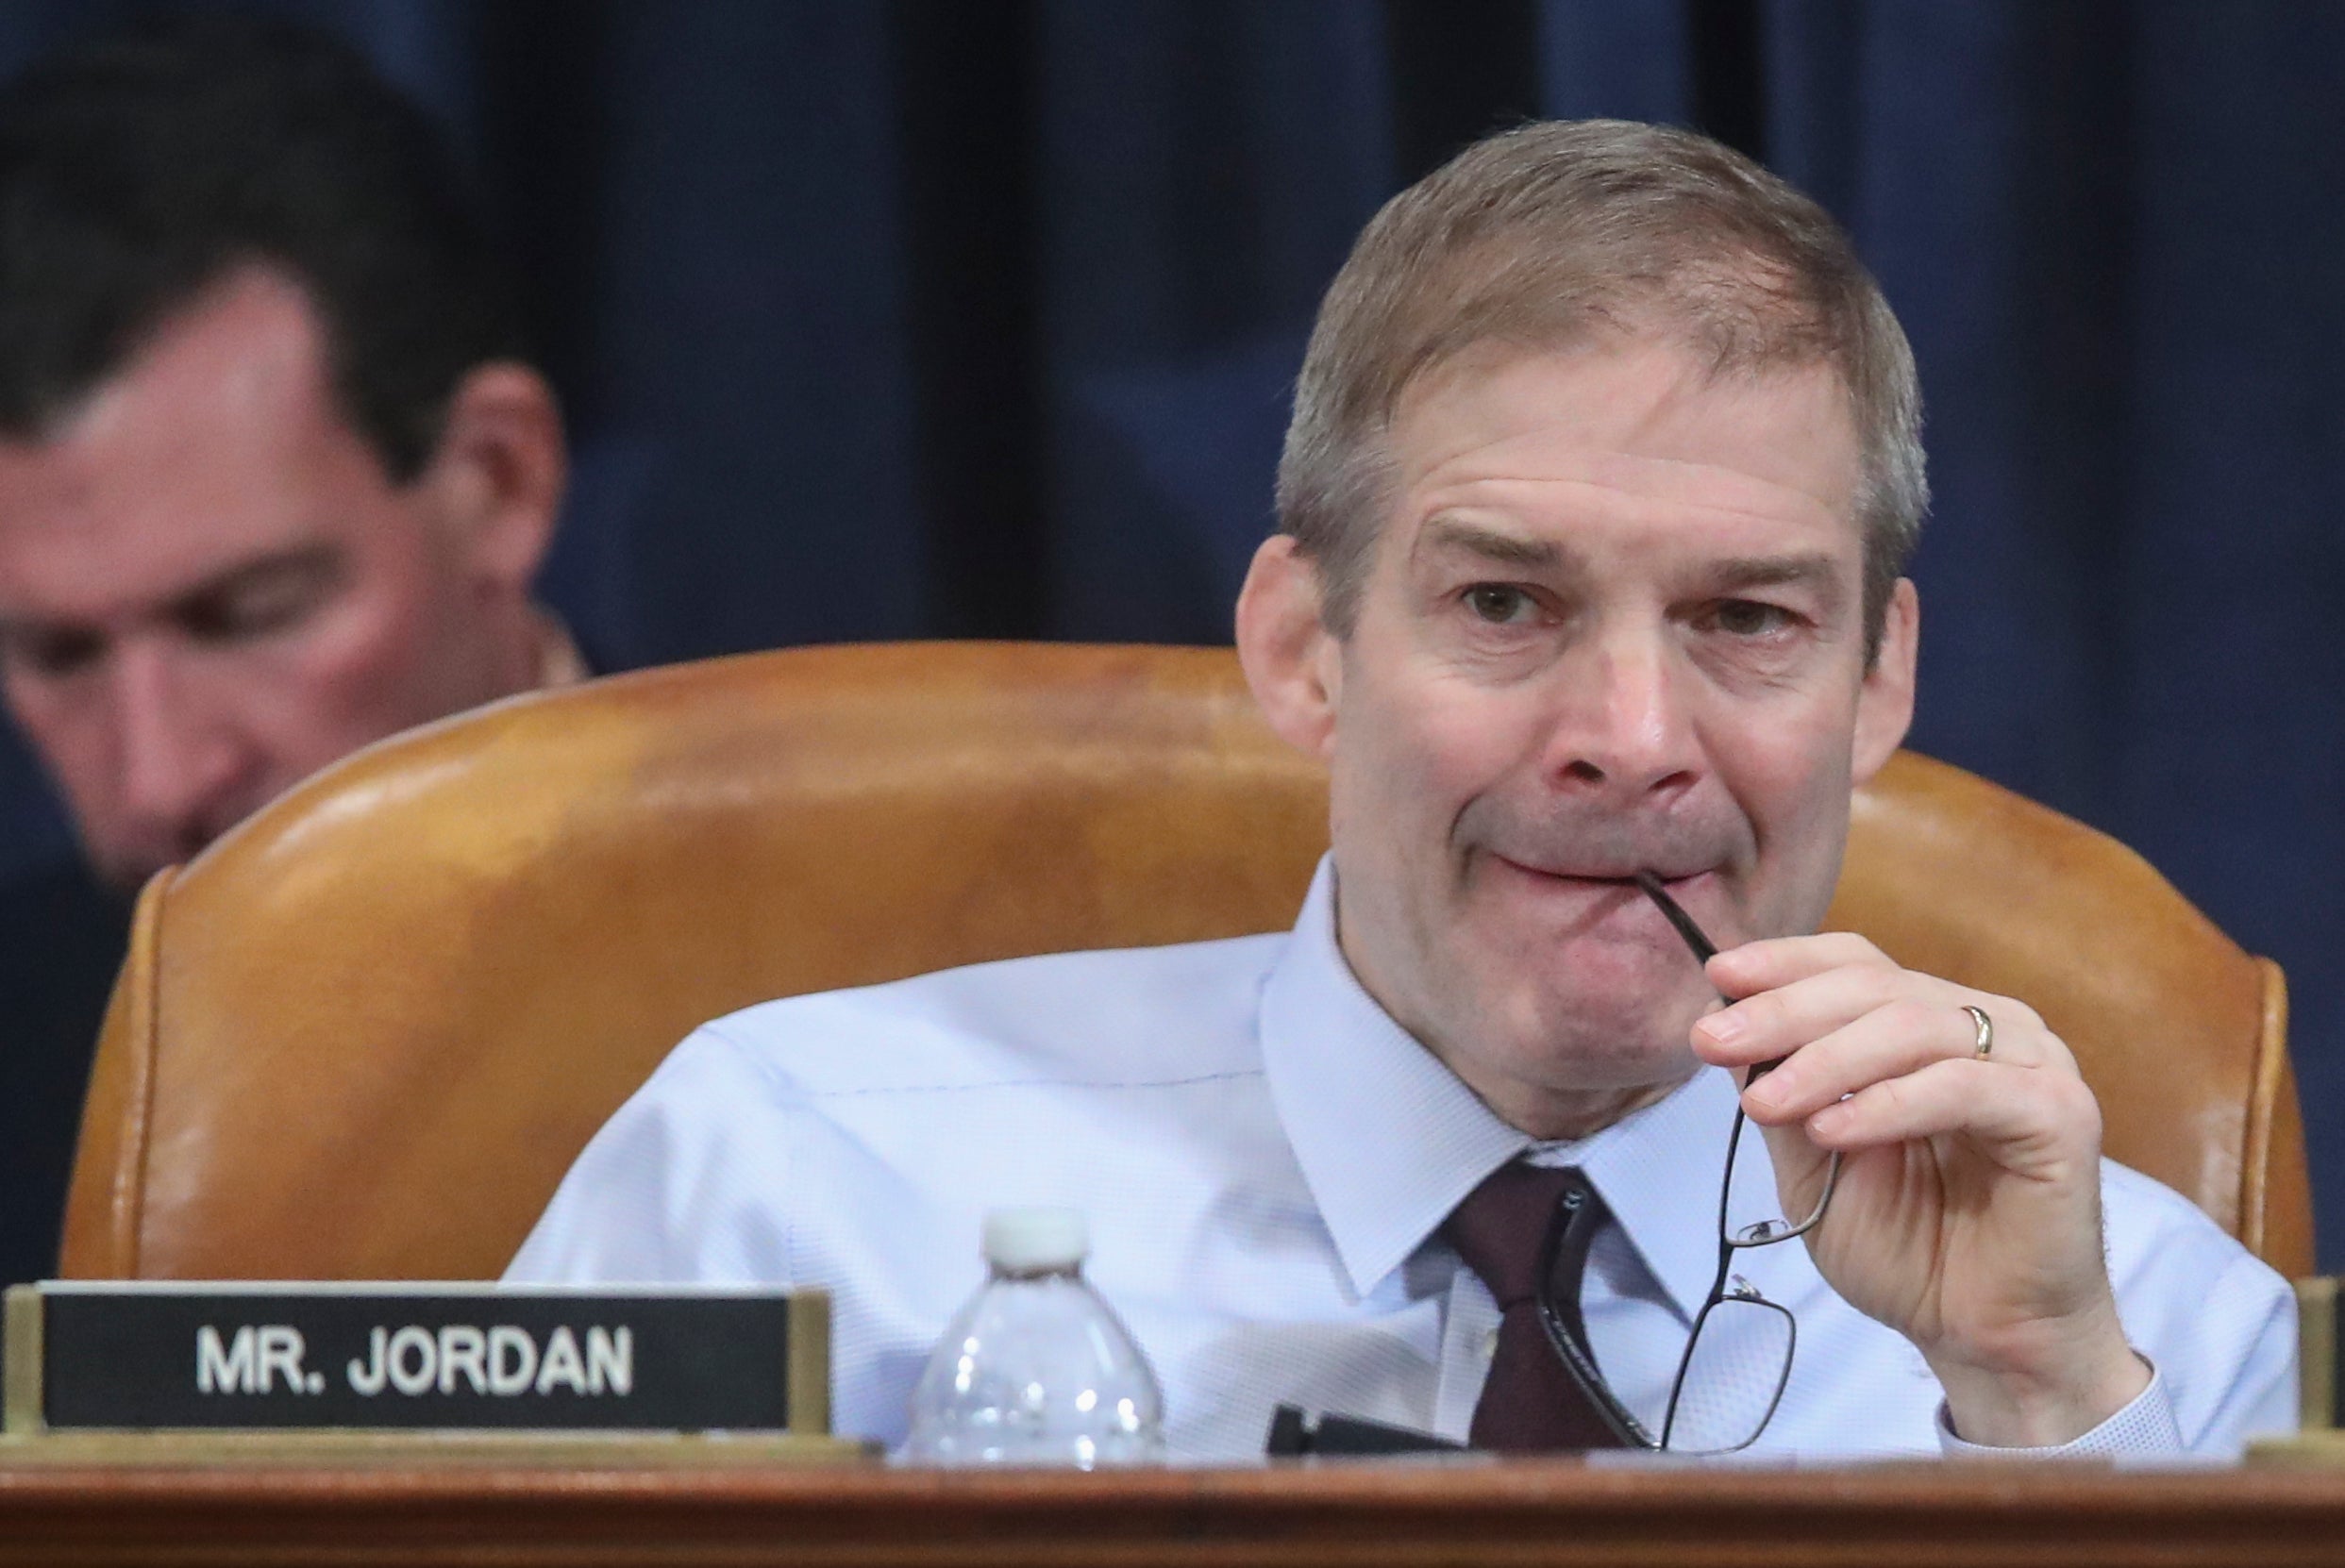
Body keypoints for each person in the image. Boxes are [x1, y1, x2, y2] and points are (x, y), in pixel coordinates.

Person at [510, 120, 2293, 1460]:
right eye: (1504, 601)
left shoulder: (2149, 1336)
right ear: (1301, 646)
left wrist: (2038, 1409)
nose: (1630, 733)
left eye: (1744, 618)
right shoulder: (790, 1184)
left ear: (1877, 679)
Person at [0, 15, 578, 1287]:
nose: (158, 780)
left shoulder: (854, 960)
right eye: (55, 653)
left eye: (248, 612)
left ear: (499, 482)